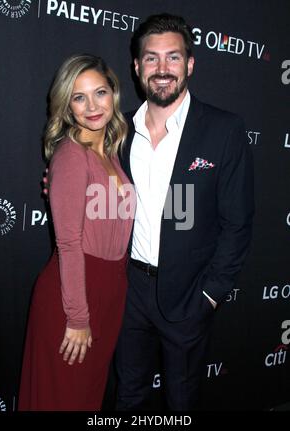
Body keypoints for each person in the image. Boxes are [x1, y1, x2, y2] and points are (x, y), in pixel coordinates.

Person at [115, 13, 254, 410]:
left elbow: (237, 223)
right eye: (152, 58)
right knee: (129, 393)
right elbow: (99, 196)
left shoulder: (222, 130)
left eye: (173, 58)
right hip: (128, 290)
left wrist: (210, 295)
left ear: (190, 64)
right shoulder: (119, 132)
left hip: (190, 293)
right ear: (137, 67)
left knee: (182, 399)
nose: (162, 69)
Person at [18, 54, 135, 411]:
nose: (92, 106)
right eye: (78, 97)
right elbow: (68, 244)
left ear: (113, 94)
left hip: (110, 290)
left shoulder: (113, 154)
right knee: (63, 398)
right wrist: (78, 317)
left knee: (87, 396)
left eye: (99, 92)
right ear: (66, 105)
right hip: (74, 295)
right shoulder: (70, 155)